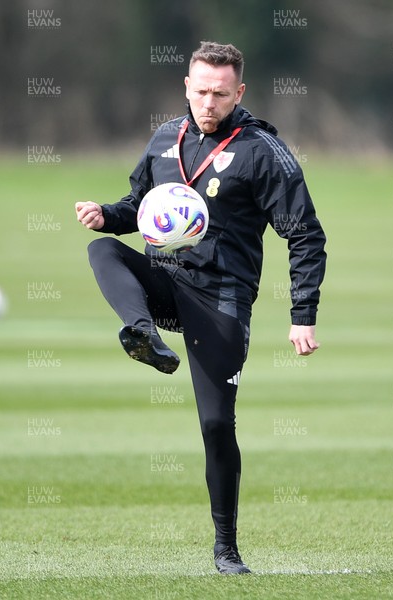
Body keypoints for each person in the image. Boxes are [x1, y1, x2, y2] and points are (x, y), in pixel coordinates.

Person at [75, 41, 326, 575]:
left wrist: (302, 314)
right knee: (101, 251)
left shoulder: (262, 151)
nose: (208, 103)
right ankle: (143, 335)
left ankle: (227, 549)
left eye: (220, 93)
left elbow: (305, 235)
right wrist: (106, 214)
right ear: (185, 87)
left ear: (240, 92)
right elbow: (138, 207)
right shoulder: (166, 137)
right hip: (165, 279)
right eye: (200, 91)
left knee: (216, 425)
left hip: (222, 299)